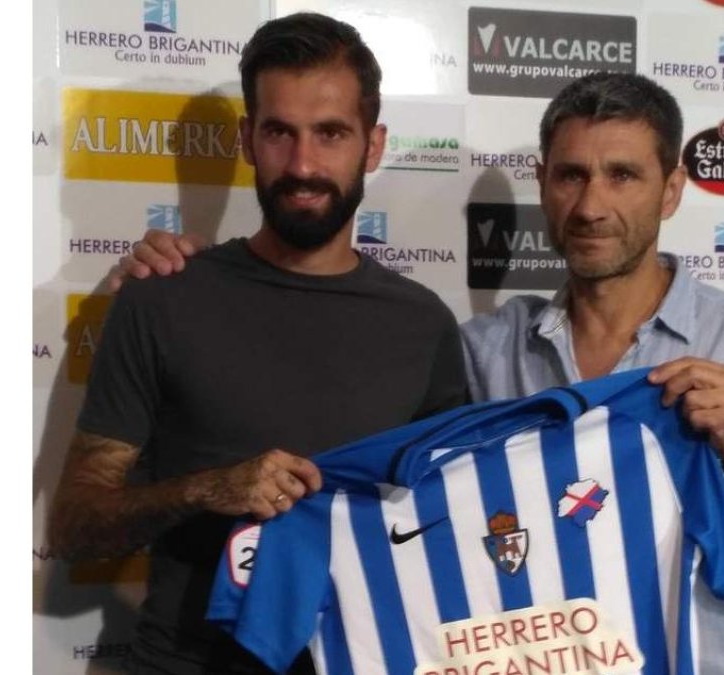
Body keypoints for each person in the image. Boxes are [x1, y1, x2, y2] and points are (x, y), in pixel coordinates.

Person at [117, 74, 724, 675]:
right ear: (543, 184)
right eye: (571, 175)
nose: (592, 204)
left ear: (670, 189)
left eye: (622, 175)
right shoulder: (482, 350)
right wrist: (188, 282)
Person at [47, 12, 468, 675]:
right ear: (247, 139)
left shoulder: (424, 324)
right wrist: (207, 489)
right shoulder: (161, 297)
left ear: (374, 144)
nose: (303, 165)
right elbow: (74, 526)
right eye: (279, 132)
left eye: (331, 133)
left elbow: (451, 528)